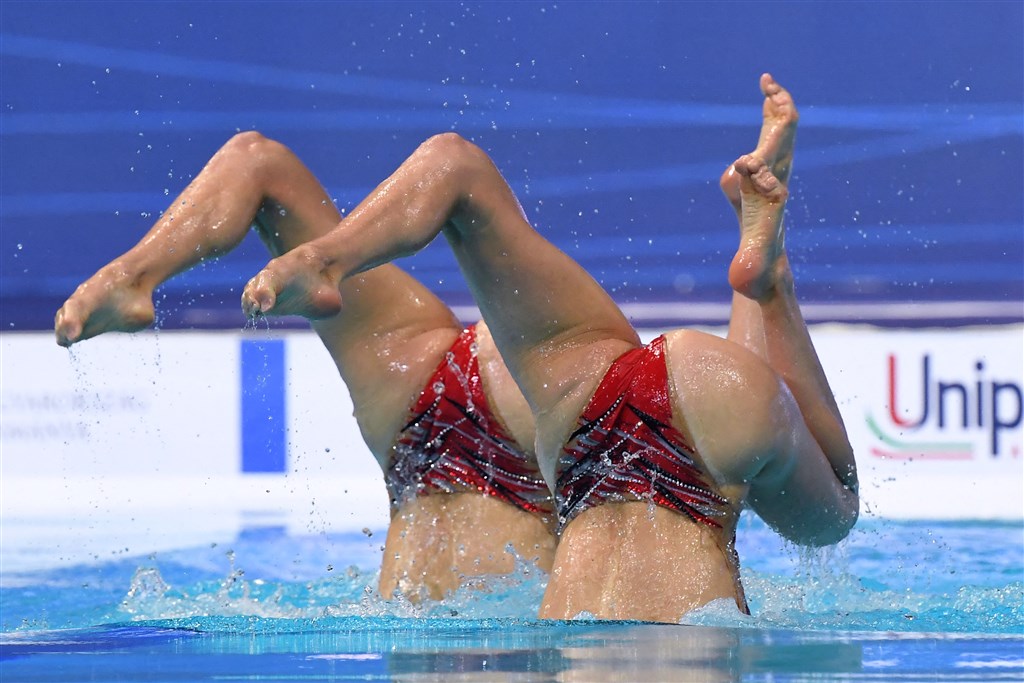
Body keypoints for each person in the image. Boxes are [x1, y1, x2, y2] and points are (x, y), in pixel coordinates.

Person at [238, 73, 860, 623]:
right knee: (458, 168)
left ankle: (765, 281)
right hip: (603, 419)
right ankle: (325, 260)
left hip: (623, 416)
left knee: (826, 507)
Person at [53, 133, 557, 603]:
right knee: (451, 166)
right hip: (477, 406)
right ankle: (321, 262)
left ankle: (134, 276)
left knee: (258, 160)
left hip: (418, 415)